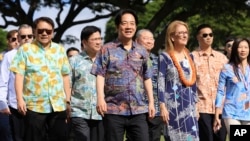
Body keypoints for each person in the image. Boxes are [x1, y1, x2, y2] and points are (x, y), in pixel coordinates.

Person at [91, 9, 155, 141]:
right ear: (117, 27)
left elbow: (147, 77)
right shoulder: (107, 49)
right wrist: (100, 99)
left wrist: (151, 102)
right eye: (124, 23)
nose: (128, 26)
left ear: (136, 27)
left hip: (138, 109)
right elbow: (100, 75)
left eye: (132, 23)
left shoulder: (142, 51)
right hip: (113, 109)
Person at [9, 16, 71, 141]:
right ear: (34, 31)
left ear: (53, 32)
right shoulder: (25, 49)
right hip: (34, 106)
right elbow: (19, 75)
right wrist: (19, 99)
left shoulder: (59, 50)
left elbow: (65, 76)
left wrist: (68, 100)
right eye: (40, 30)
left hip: (58, 105)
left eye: (48, 31)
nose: (44, 33)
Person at [158, 20, 199, 141]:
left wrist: (196, 104)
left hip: (189, 106)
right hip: (173, 107)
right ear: (172, 37)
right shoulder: (164, 57)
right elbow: (160, 82)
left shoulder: (190, 56)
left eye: (186, 32)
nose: (184, 35)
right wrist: (162, 106)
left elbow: (193, 82)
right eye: (180, 33)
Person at [192, 24, 228, 141]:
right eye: (205, 35)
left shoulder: (222, 58)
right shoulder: (191, 57)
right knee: (207, 138)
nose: (208, 37)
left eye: (211, 35)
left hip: (222, 107)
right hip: (202, 107)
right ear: (198, 37)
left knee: (221, 138)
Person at [69, 26, 104, 141]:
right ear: (84, 42)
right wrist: (67, 106)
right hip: (79, 111)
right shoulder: (74, 61)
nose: (98, 42)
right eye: (94, 39)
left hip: (101, 113)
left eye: (100, 38)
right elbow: (68, 85)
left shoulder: (106, 60)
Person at [0, 24, 34, 141]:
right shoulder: (9, 56)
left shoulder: (41, 55)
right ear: (18, 38)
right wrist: (3, 103)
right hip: (15, 106)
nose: (26, 38)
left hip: (37, 107)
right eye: (23, 36)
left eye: (30, 36)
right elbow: (3, 81)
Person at [213, 38, 250, 139]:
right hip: (231, 112)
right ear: (235, 49)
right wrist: (217, 113)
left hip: (248, 112)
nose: (243, 50)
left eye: (246, 47)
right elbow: (220, 91)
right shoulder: (227, 68)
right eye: (240, 47)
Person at [134, 29, 164, 141]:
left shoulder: (158, 60)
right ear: (136, 41)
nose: (149, 41)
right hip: (137, 108)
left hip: (155, 108)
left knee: (154, 137)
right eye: (145, 38)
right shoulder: (129, 59)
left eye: (151, 38)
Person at [0, 29, 19, 141]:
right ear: (8, 41)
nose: (16, 42)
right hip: (3, 103)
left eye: (18, 39)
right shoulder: (3, 56)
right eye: (13, 39)